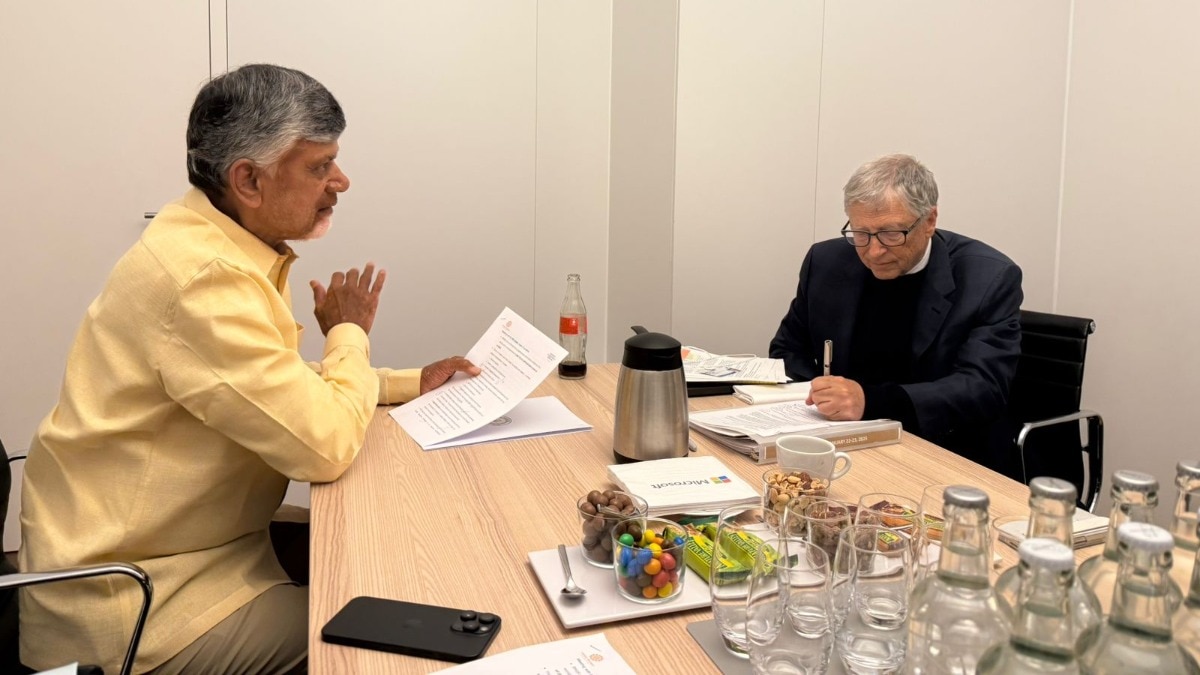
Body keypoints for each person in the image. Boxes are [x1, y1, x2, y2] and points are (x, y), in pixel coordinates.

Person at [18, 64, 479, 674]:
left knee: (383, 563)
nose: (340, 181)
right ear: (249, 181)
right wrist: (347, 333)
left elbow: (264, 385)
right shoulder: (203, 281)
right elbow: (323, 446)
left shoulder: (209, 243)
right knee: (399, 646)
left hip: (189, 550)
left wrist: (401, 384)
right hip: (138, 607)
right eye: (318, 167)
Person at [769, 154, 1022, 472]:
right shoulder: (826, 261)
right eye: (861, 234)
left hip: (942, 449)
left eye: (891, 234)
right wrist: (821, 396)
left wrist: (869, 402)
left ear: (929, 221)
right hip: (841, 442)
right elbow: (787, 349)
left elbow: (982, 387)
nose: (874, 251)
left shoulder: (987, 279)